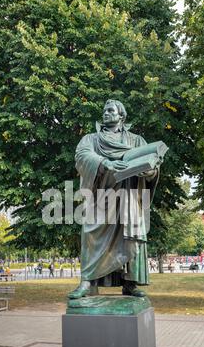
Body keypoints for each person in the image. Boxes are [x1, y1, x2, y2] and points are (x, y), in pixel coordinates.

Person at [68, 99, 165, 299]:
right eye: (104, 110)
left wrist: (149, 172)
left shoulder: (136, 141)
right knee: (91, 235)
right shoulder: (91, 139)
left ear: (121, 115)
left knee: (130, 238)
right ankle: (87, 281)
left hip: (128, 197)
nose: (105, 113)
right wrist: (105, 163)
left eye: (110, 110)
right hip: (101, 197)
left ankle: (129, 283)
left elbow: (152, 169)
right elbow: (82, 156)